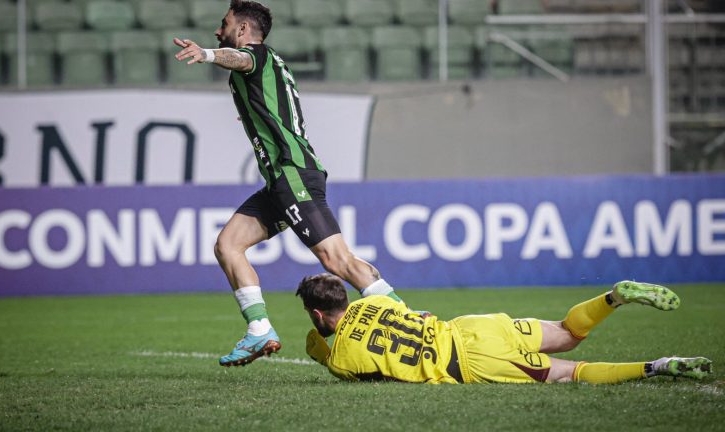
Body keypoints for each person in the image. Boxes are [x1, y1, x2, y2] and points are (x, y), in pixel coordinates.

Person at [172, 1, 403, 367]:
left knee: (335, 258)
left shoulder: (257, 56)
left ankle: (404, 318)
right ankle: (259, 328)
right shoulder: (271, 65)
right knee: (228, 245)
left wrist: (206, 54)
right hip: (279, 181)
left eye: (224, 24)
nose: (218, 30)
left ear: (243, 30)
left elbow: (240, 59)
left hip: (292, 172)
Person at [296, 274, 712, 384]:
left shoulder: (342, 361)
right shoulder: (374, 302)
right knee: (567, 332)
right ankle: (613, 297)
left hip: (471, 361)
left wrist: (321, 347)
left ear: (317, 313)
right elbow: (419, 315)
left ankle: (658, 366)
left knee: (573, 372)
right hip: (473, 327)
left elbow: (348, 363)